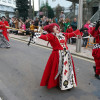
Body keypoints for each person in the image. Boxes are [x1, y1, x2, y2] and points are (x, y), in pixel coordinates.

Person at [38, 23, 83, 90]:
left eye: (57, 26)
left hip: (66, 55)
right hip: (57, 56)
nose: (56, 28)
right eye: (54, 27)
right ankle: (58, 83)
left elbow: (72, 34)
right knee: (58, 69)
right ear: (51, 29)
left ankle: (68, 83)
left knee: (67, 69)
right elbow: (44, 37)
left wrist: (79, 30)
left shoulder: (63, 34)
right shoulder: (51, 36)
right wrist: (35, 34)